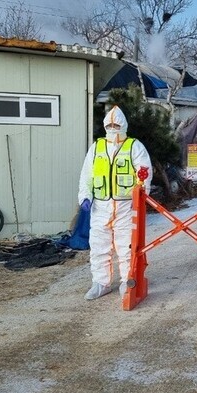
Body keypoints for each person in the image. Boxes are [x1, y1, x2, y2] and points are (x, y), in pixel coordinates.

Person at [78, 105, 152, 300]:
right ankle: (101, 283)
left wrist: (140, 198)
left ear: (123, 124)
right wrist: (85, 196)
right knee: (99, 245)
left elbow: (144, 174)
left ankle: (127, 281)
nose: (112, 127)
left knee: (126, 245)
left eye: (116, 124)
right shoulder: (97, 147)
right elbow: (87, 175)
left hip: (125, 206)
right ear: (104, 125)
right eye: (109, 124)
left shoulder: (134, 146)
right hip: (100, 206)